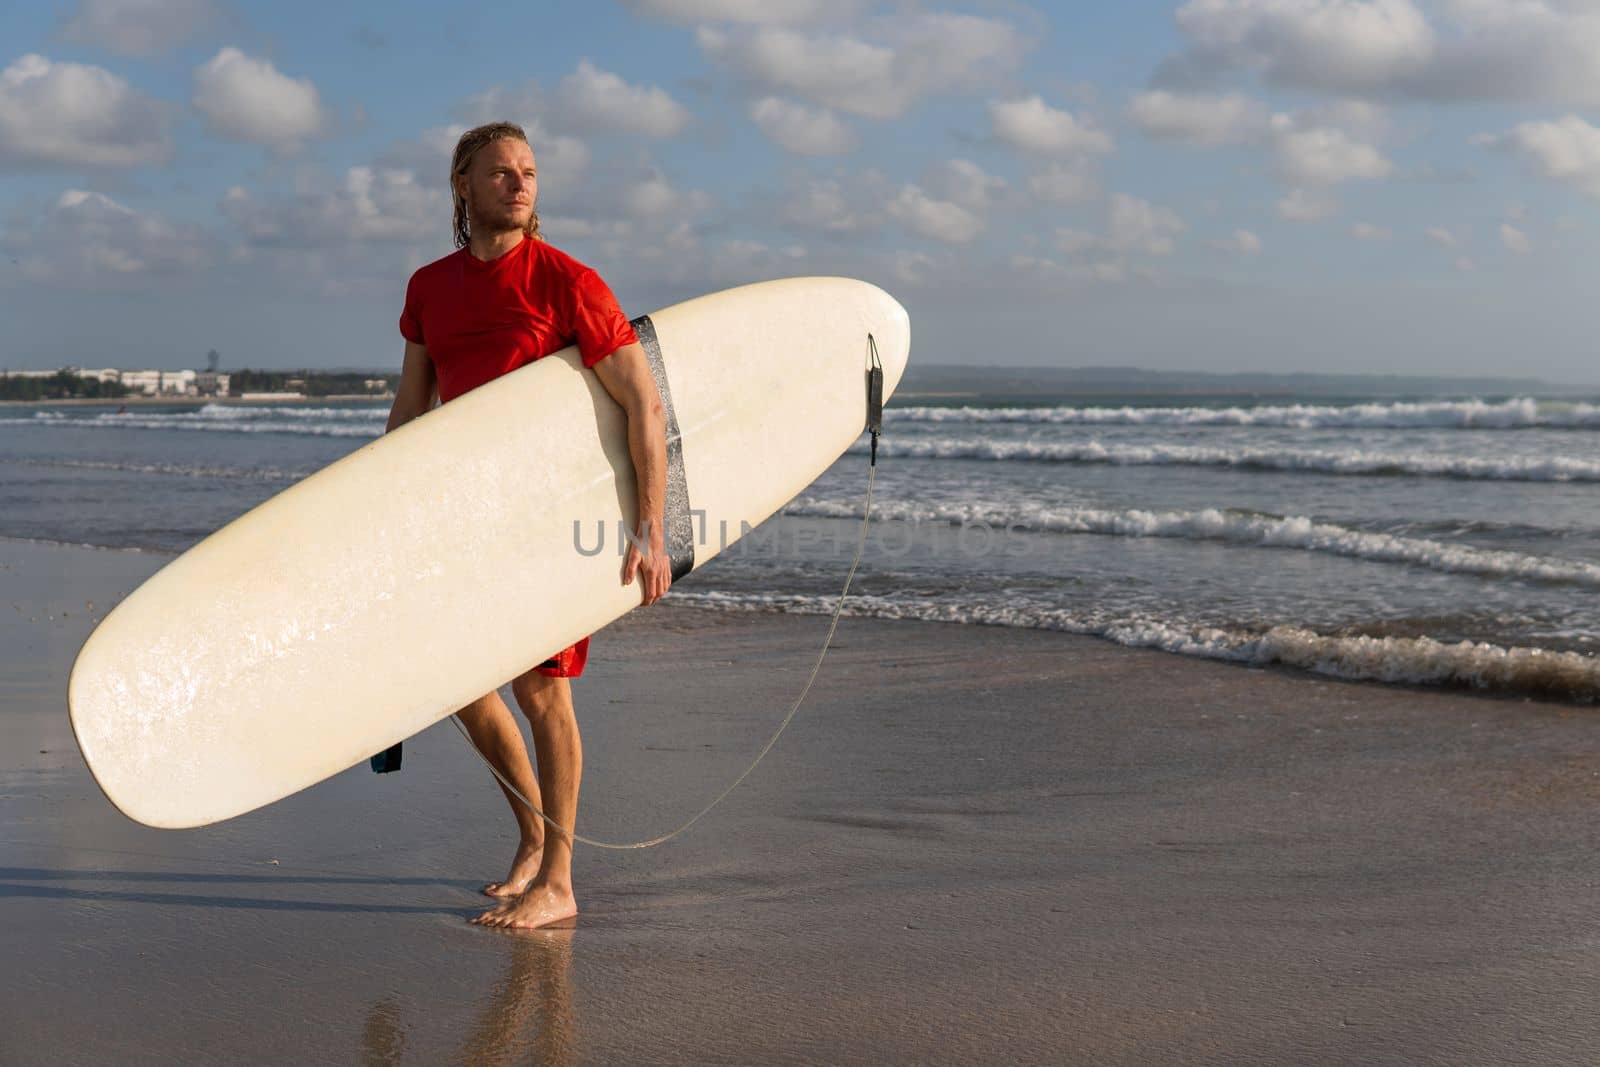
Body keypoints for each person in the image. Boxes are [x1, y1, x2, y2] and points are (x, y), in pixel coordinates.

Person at [385, 121, 670, 930]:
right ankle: (532, 842)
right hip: (465, 516)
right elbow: (413, 407)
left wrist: (650, 528)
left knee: (540, 689)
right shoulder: (428, 286)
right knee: (463, 685)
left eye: (530, 172)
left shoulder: (568, 282)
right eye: (501, 171)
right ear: (462, 186)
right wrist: (378, 520)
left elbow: (642, 401)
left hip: (552, 515)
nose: (519, 183)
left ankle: (563, 877)